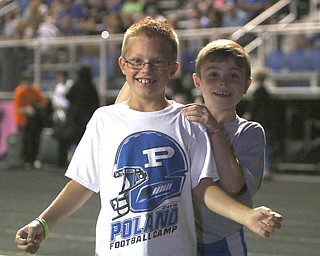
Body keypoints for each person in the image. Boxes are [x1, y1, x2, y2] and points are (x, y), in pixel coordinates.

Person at [15, 18, 282, 256]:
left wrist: (246, 215)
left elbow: (202, 187)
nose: (147, 69)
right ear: (122, 65)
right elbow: (83, 183)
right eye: (137, 61)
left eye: (158, 63)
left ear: (172, 68)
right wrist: (43, 222)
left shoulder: (189, 122)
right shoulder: (104, 119)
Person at [180, 39, 268, 255]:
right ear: (197, 82)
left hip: (221, 241)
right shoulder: (181, 123)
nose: (223, 82)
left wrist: (213, 129)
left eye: (233, 76)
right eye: (213, 75)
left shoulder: (249, 132)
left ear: (247, 85)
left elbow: (232, 185)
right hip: (179, 237)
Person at [243, 67, 274, 180]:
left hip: (260, 123)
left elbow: (253, 108)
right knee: (266, 147)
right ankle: (265, 169)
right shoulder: (266, 92)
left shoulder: (258, 92)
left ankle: (261, 169)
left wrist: (247, 116)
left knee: (260, 147)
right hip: (266, 123)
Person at [13, 71, 47, 169]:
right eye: (26, 82)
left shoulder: (35, 90)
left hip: (34, 122)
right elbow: (17, 109)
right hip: (23, 121)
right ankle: (25, 160)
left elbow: (43, 102)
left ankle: (33, 159)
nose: (28, 85)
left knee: (35, 141)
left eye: (29, 82)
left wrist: (36, 107)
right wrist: (27, 109)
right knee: (25, 141)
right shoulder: (19, 92)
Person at [64, 65, 99, 146]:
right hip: (88, 117)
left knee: (75, 140)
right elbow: (96, 101)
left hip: (75, 118)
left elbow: (68, 96)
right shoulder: (91, 87)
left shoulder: (76, 85)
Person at [52, 71, 74, 167]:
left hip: (69, 113)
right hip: (60, 112)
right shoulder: (58, 87)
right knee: (60, 136)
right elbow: (55, 100)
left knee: (69, 136)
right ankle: (61, 159)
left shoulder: (70, 85)